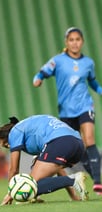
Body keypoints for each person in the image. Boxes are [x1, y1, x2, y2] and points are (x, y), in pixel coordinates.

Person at [32, 27, 102, 194]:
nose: (75, 43)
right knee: (77, 148)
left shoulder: (88, 63)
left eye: (78, 39)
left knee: (90, 139)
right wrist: (38, 79)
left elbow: (92, 82)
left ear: (82, 42)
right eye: (71, 40)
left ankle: (98, 181)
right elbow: (42, 73)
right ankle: (91, 176)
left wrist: (100, 90)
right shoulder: (58, 60)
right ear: (66, 42)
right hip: (66, 112)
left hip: (85, 106)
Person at [0, 115, 88, 205]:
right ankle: (71, 182)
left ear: (7, 136)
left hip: (59, 141)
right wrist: (73, 196)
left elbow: (14, 169)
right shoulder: (30, 129)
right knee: (37, 170)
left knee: (29, 185)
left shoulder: (15, 131)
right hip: (78, 145)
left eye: (6, 144)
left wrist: (11, 193)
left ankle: (73, 179)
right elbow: (57, 168)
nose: (9, 146)